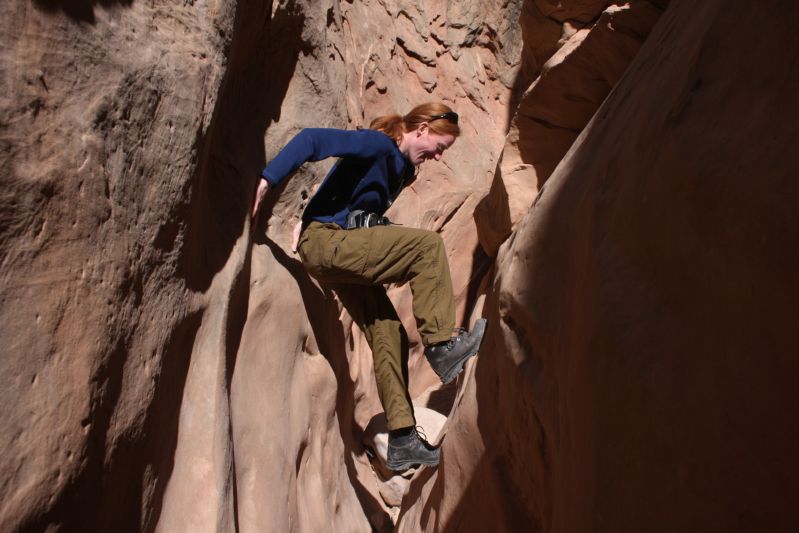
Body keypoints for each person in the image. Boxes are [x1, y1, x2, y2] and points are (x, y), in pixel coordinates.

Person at [251, 102, 486, 471]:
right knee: (427, 247)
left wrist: (319, 217)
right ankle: (441, 346)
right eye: (440, 147)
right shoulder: (379, 145)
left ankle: (403, 439)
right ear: (422, 129)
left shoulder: (402, 170)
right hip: (326, 243)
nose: (438, 157)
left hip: (337, 251)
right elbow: (313, 140)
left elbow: (347, 200)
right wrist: (268, 179)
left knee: (389, 331)